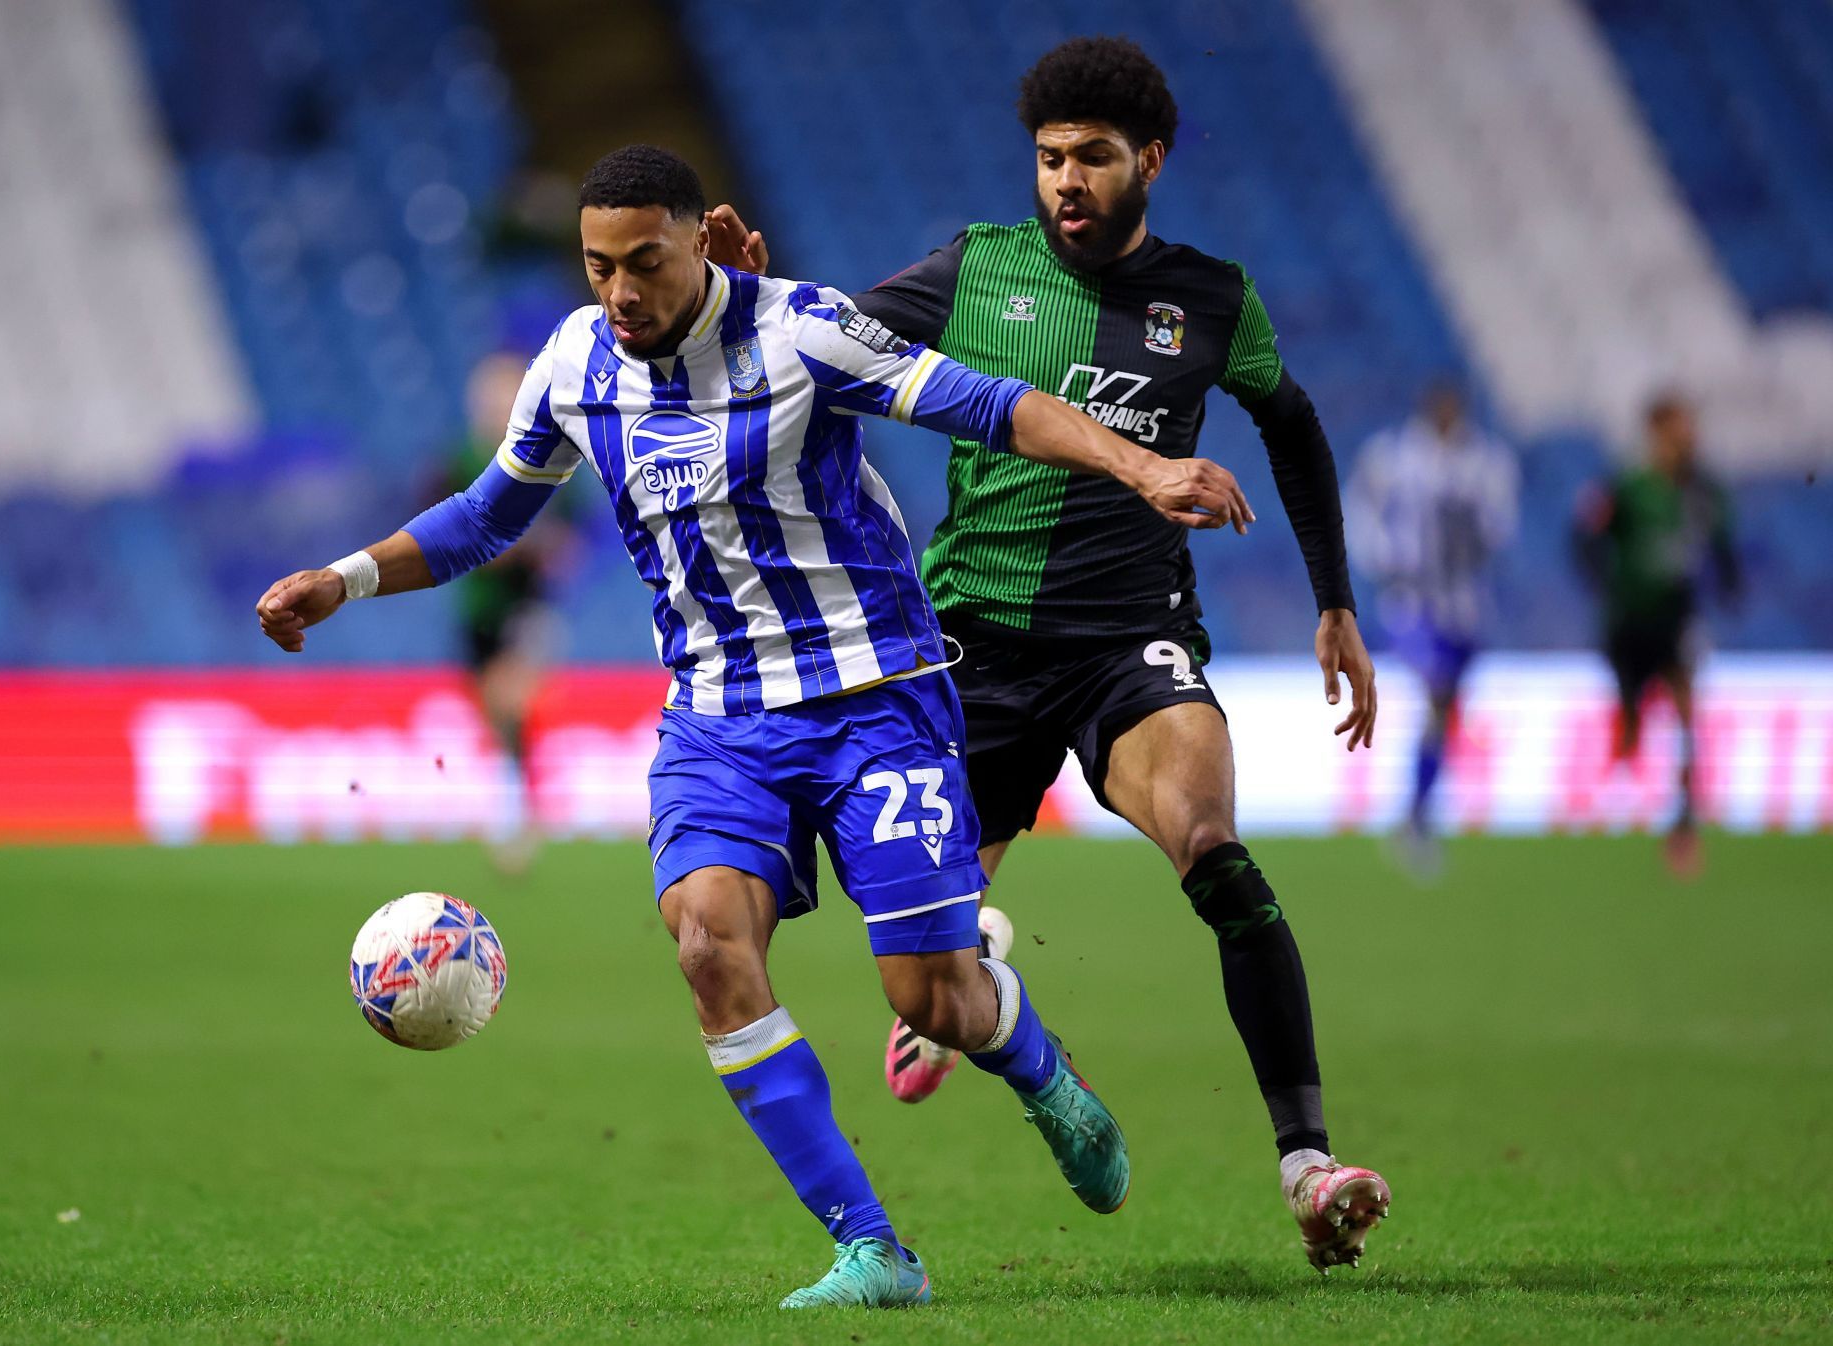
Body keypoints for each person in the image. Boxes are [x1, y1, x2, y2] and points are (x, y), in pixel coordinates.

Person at [256, 145, 1256, 1309]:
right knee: (706, 944)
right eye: (597, 267)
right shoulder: (574, 364)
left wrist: (1141, 466)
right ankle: (874, 1249)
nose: (620, 292)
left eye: (644, 262)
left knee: (929, 997)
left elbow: (992, 406)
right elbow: (489, 515)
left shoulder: (804, 332)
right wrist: (345, 578)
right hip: (718, 720)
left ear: (698, 239)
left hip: (875, 696)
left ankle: (1035, 1063)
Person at [707, 36, 1390, 1273]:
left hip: (1134, 643)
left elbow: (1292, 425)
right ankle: (997, 1004)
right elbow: (830, 343)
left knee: (1215, 851)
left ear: (1151, 162)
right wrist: (763, 290)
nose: (1065, 179)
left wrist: (1334, 599)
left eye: (1092, 158)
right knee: (920, 980)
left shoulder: (1214, 300)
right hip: (971, 644)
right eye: (1049, 157)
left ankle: (1307, 1163)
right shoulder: (979, 270)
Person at [1347, 380, 1518, 870]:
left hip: (1465, 606)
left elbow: (1500, 527)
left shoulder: (1486, 461)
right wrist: (1382, 556)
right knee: (1438, 691)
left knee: (1445, 713)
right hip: (1412, 601)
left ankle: (1418, 813)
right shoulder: (1392, 456)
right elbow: (1358, 508)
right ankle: (1415, 819)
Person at [1576, 390, 1738, 875]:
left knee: (1688, 716)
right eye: (1677, 429)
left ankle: (1684, 826)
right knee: (1630, 720)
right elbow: (1586, 536)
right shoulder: (1628, 487)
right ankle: (1617, 808)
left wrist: (1730, 581)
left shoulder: (1705, 493)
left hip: (1677, 621)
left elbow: (1723, 547)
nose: (1687, 438)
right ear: (1657, 434)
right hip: (1629, 622)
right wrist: (1605, 583)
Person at [433, 351, 578, 870]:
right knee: (496, 713)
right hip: (477, 611)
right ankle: (516, 804)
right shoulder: (461, 459)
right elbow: (440, 527)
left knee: (510, 700)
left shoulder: (547, 455)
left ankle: (515, 818)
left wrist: (545, 551)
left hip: (528, 604)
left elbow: (573, 531)